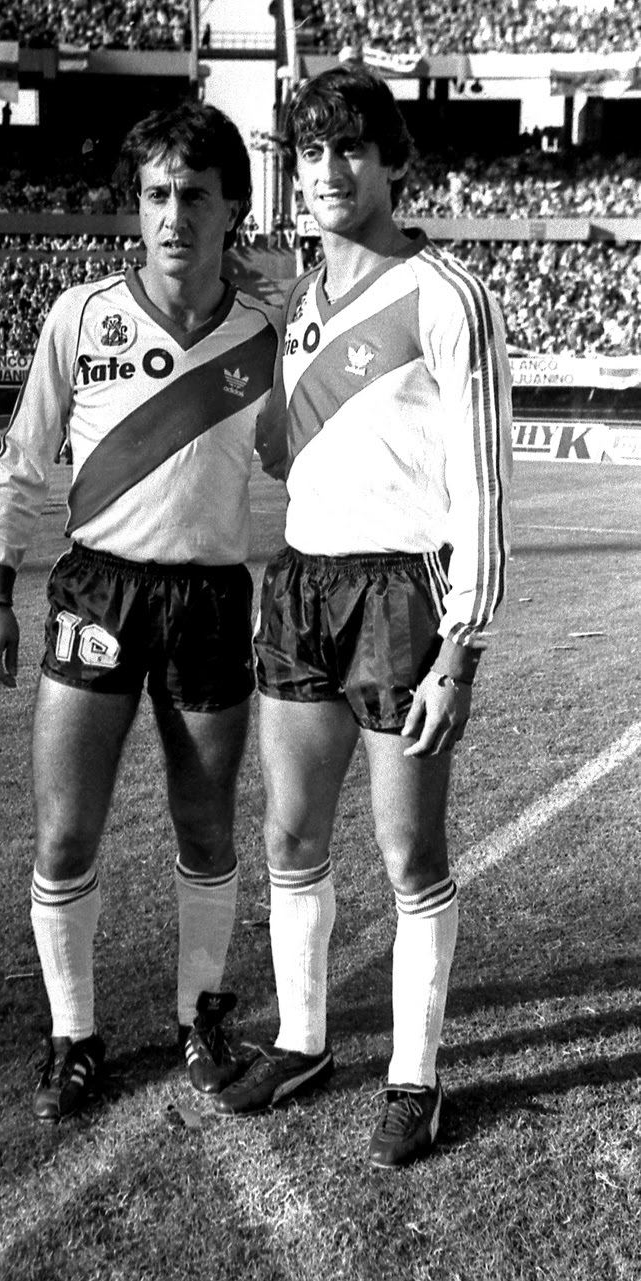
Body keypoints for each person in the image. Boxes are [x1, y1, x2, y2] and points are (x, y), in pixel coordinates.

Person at [213, 65, 512, 1170]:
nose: (330, 169)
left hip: (403, 596)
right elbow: (282, 453)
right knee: (289, 838)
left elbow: (484, 488)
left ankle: (415, 1079)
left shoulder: (446, 294)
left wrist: (460, 649)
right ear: (292, 173)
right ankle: (303, 1043)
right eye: (311, 150)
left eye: (351, 148)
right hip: (301, 584)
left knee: (407, 851)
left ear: (394, 164)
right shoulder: (296, 307)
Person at [0, 100, 277, 1123]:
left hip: (210, 601)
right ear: (136, 207)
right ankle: (74, 1036)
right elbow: (25, 461)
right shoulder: (81, 315)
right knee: (66, 835)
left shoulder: (263, 337)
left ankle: (202, 1018)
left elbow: (303, 458)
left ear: (232, 208)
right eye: (155, 195)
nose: (172, 215)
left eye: (194, 195)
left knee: (206, 827)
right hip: (98, 589)